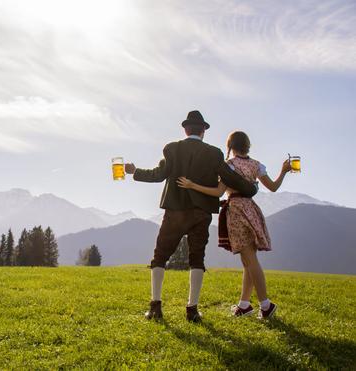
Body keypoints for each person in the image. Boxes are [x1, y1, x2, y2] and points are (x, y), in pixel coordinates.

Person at [125, 111, 258, 322]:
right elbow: (231, 177)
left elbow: (158, 175)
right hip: (201, 214)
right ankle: (192, 310)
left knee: (160, 257)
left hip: (175, 211)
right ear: (203, 131)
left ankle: (155, 307)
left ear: (185, 129)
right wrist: (251, 189)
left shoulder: (172, 149)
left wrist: (135, 171)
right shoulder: (214, 154)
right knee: (197, 259)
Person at [177, 131, 291, 319]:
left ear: (230, 146)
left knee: (250, 260)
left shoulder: (229, 166)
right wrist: (284, 171)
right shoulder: (256, 165)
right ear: (247, 146)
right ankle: (244, 306)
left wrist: (192, 186)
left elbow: (218, 192)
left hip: (237, 211)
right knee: (248, 260)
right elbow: (273, 187)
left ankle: (266, 305)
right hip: (252, 211)